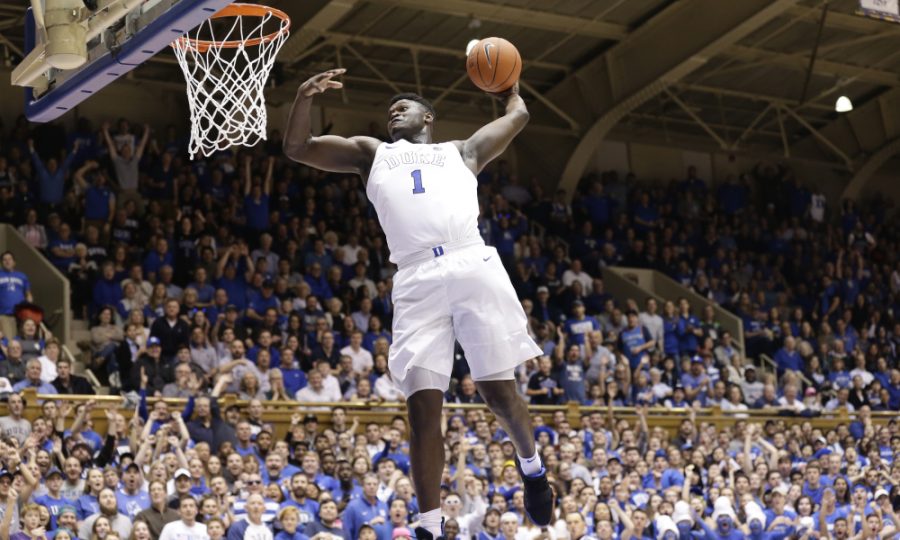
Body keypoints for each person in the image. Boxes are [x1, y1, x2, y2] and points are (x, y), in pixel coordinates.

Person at [284, 68, 553, 539]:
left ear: (428, 117)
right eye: (390, 110)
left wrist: (510, 89)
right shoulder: (373, 153)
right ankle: (429, 525)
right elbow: (298, 147)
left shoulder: (462, 151)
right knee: (423, 409)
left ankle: (531, 467)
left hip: (471, 262)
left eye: (404, 106)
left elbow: (520, 114)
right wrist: (304, 97)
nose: (394, 111)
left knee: (497, 393)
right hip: (414, 277)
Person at [0, 252, 32, 341]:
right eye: (4, 260)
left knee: (23, 341)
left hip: (21, 314)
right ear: (1, 263)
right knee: (11, 342)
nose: (7, 261)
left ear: (14, 262)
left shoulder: (22, 276)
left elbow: (28, 294)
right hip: (4, 315)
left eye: (9, 259)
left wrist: (30, 306)